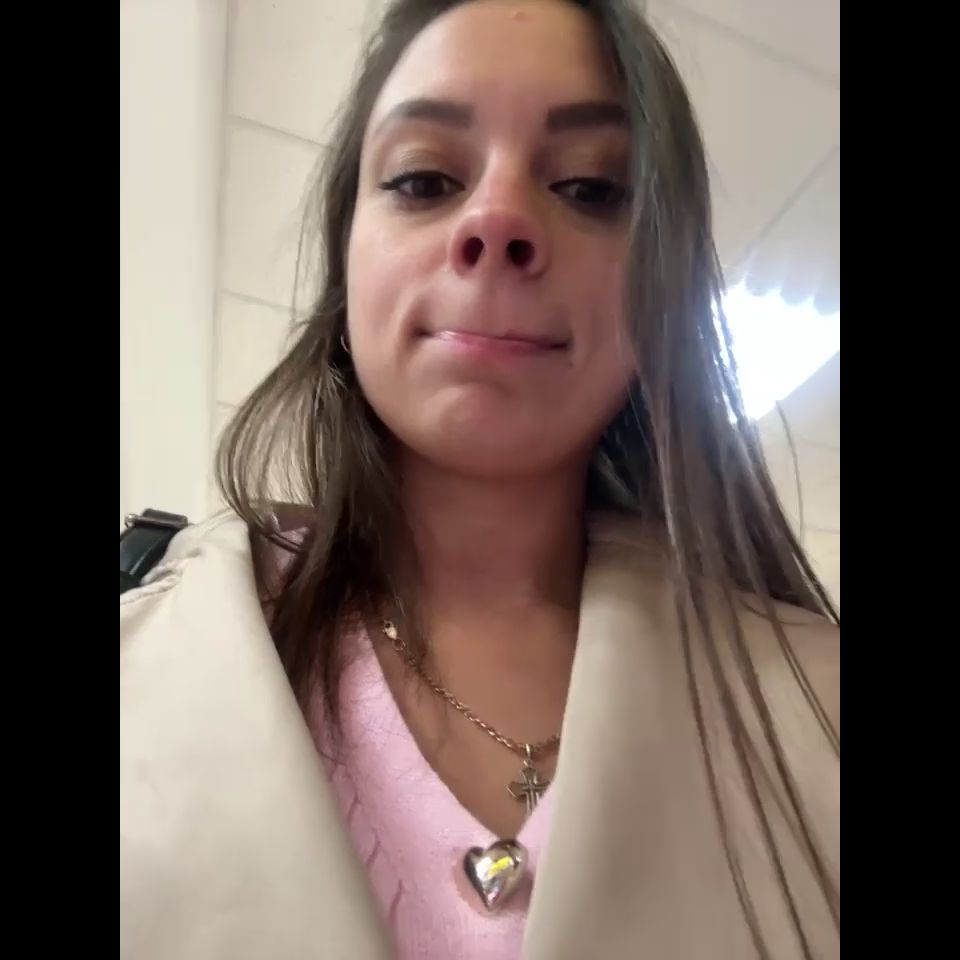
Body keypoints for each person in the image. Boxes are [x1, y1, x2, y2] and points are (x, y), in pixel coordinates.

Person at [119, 1, 840, 957]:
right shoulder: (149, 651)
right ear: (345, 268)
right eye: (423, 180)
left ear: (656, 294)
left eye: (589, 187)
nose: (499, 219)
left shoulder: (817, 711)